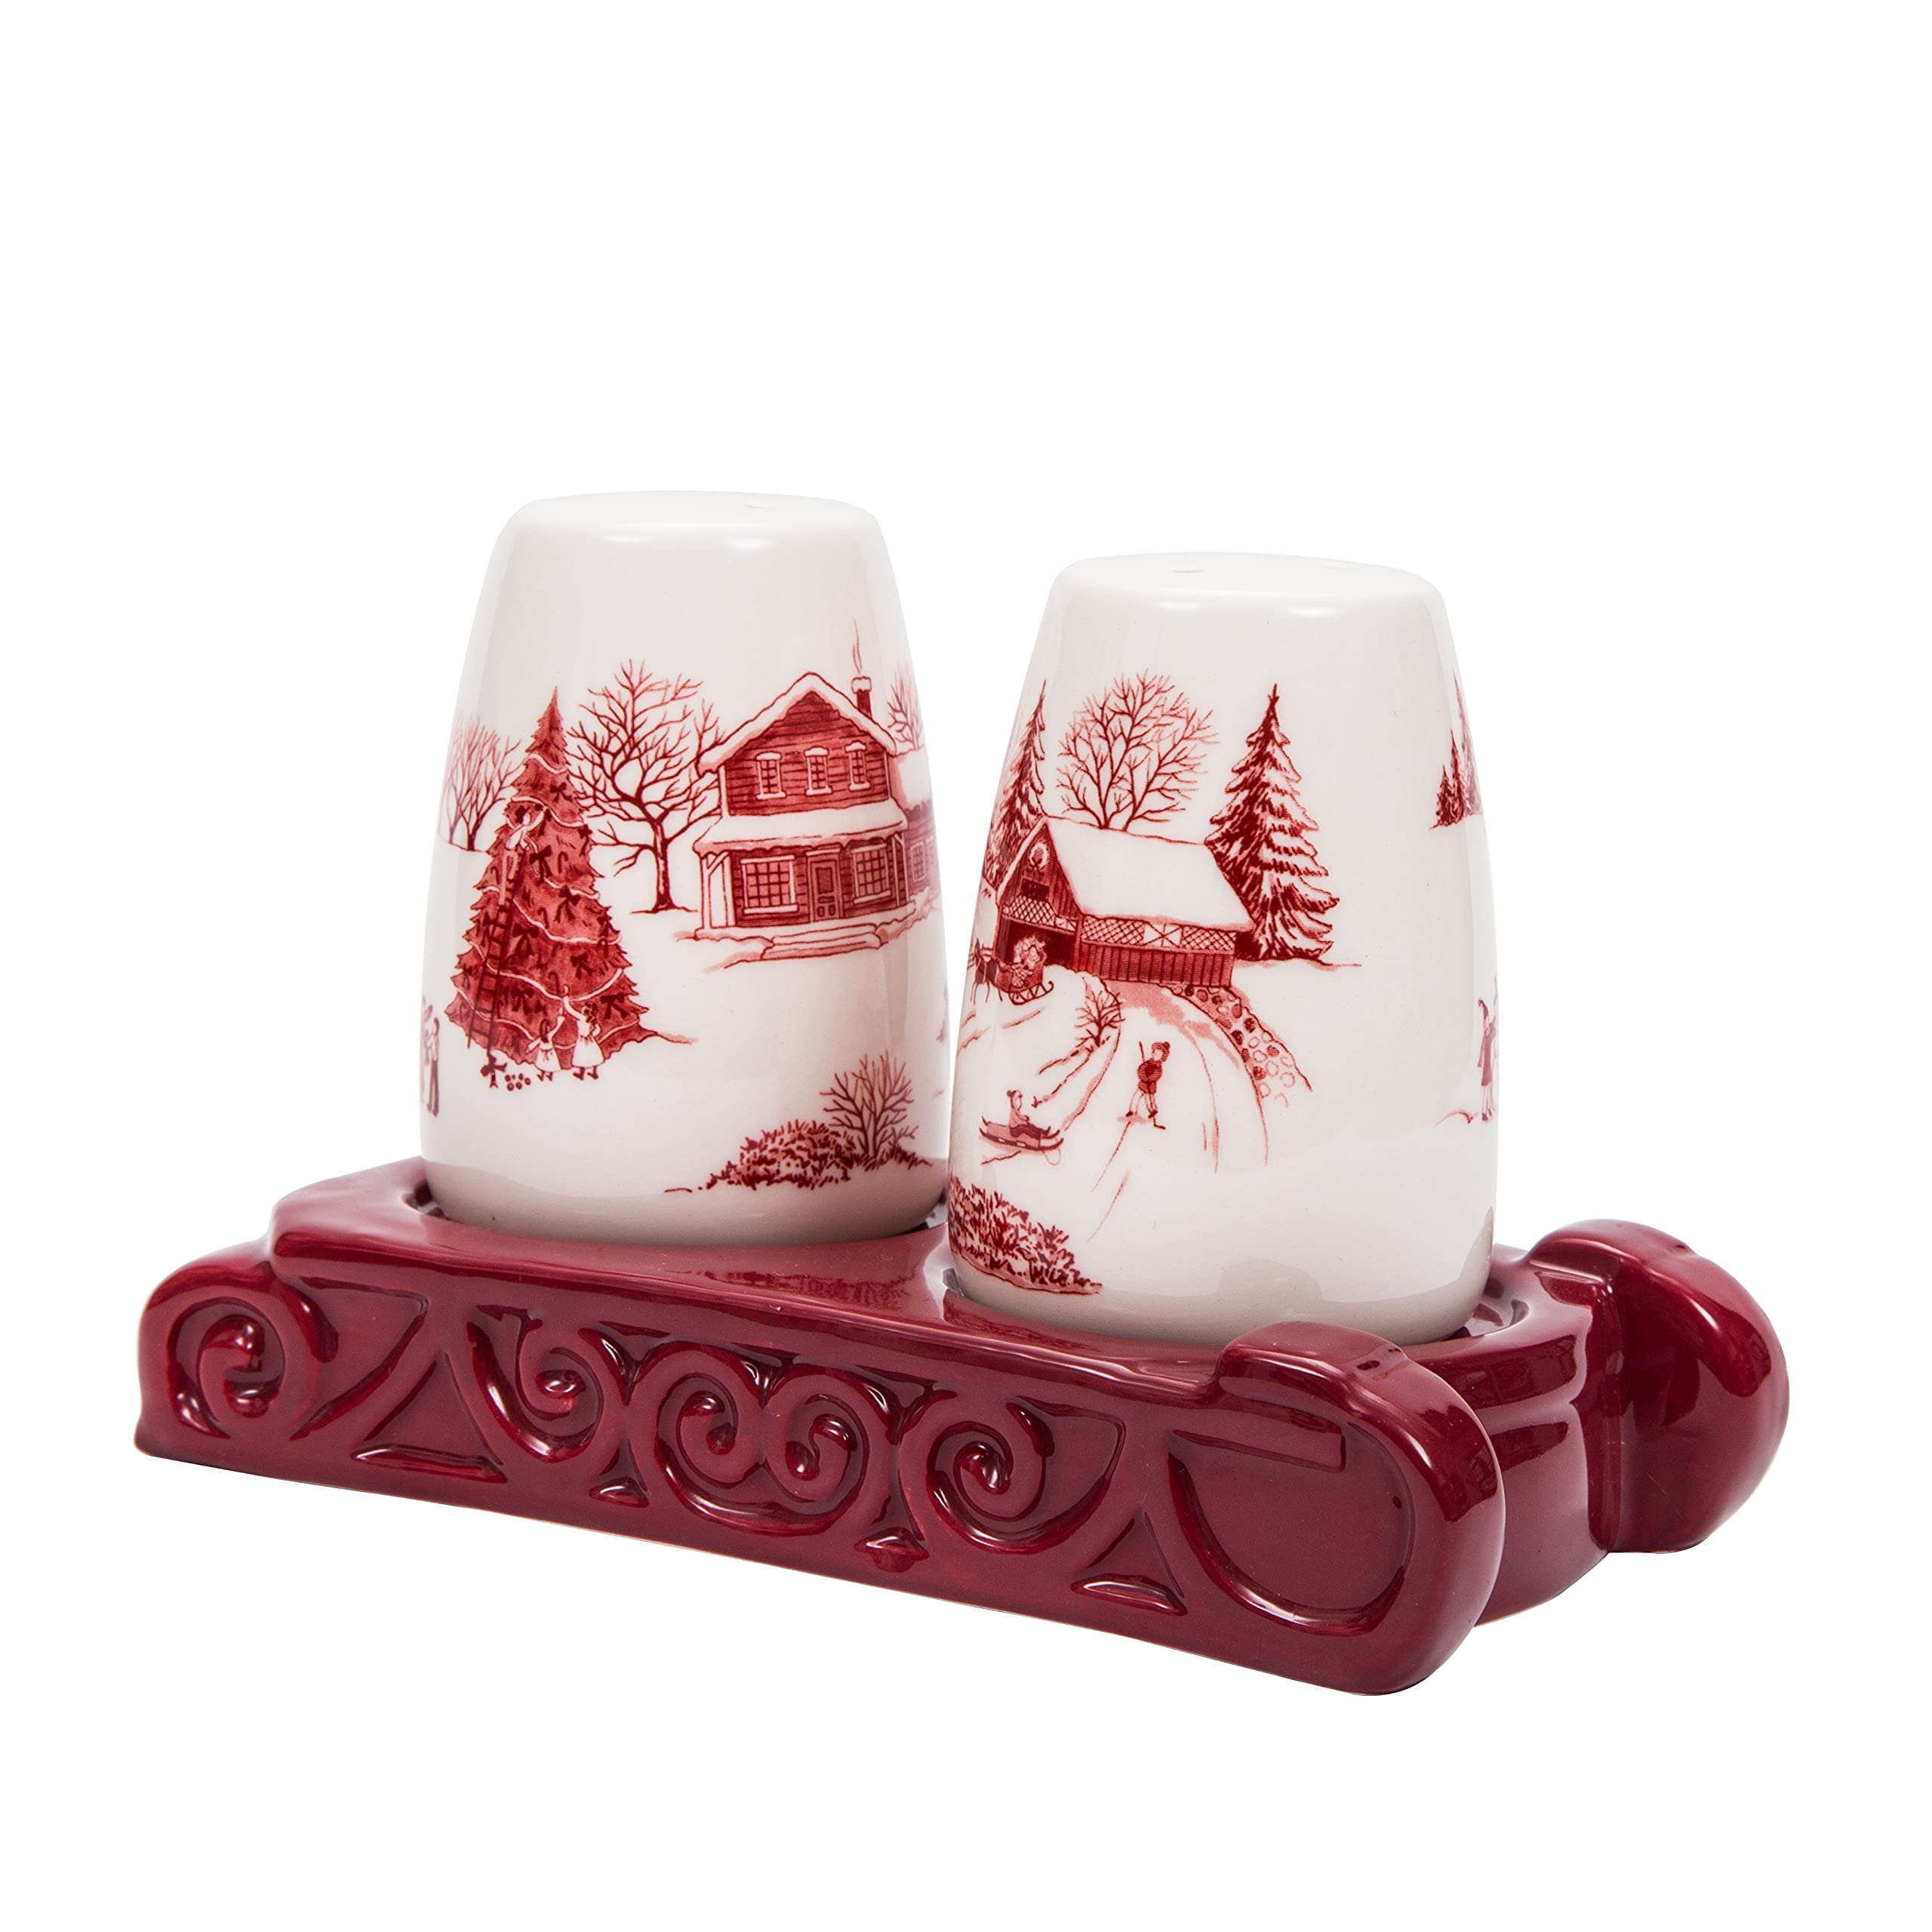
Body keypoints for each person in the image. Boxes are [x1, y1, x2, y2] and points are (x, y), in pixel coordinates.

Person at [1128, 1038, 1171, 1127]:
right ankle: (1132, 1111)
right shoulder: (1147, 1063)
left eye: (1158, 1054)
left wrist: (1150, 1079)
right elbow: (1141, 1070)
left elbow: (1157, 1075)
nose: (1155, 1055)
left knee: (1149, 1099)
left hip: (1150, 1086)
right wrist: (1144, 1077)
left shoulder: (1158, 1067)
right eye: (1154, 1053)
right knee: (1137, 1096)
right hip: (1143, 1084)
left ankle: (1153, 1111)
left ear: (1162, 1057)